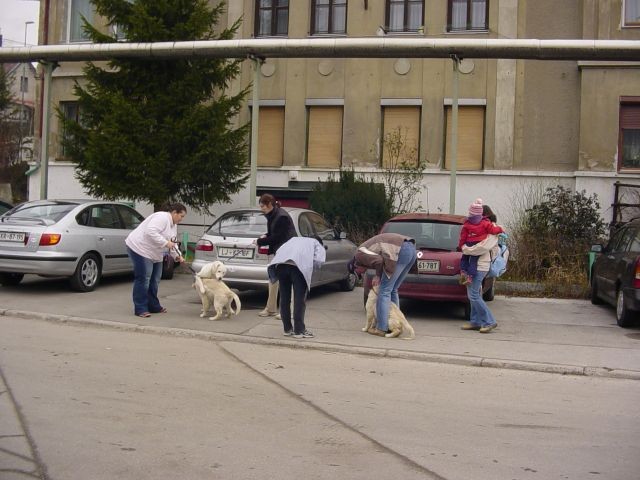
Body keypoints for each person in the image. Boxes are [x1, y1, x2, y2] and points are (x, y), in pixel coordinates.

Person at [125, 203, 186, 318]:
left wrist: (177, 255)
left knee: (155, 279)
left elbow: (172, 241)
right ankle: (140, 308)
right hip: (139, 248)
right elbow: (150, 232)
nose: (181, 219)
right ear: (174, 213)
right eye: (181, 216)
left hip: (155, 253)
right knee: (144, 278)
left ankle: (153, 306)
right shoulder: (162, 218)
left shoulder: (174, 225)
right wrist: (165, 243)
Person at [354, 233, 417, 336]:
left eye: (358, 271)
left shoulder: (358, 254)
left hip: (400, 250)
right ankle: (396, 324)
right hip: (411, 248)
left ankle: (382, 328)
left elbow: (378, 261)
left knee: (384, 290)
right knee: (393, 289)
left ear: (355, 264)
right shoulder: (365, 249)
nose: (361, 273)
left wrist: (377, 276)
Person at [267, 236, 325, 338]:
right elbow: (319, 260)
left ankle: (287, 329)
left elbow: (280, 250)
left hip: (281, 265)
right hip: (298, 268)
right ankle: (299, 331)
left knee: (284, 298)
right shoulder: (316, 243)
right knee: (299, 299)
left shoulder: (293, 239)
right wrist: (310, 267)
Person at [460, 204, 503, 333]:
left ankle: (489, 321)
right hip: (473, 264)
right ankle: (475, 321)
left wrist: (466, 248)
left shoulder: (490, 228)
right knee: (473, 294)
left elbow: (482, 248)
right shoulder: (478, 226)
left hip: (481, 265)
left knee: (473, 295)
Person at [255, 194, 297, 318]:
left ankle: (287, 311)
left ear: (269, 204)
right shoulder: (273, 214)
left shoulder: (281, 216)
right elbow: (274, 232)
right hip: (279, 251)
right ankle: (270, 308)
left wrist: (260, 241)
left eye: (262, 206)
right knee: (273, 279)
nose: (261, 208)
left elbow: (279, 237)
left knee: (286, 281)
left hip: (287, 251)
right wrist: (265, 235)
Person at [458, 198, 504, 285]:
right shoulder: (485, 223)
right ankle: (470, 277)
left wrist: (461, 246)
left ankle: (463, 272)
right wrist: (500, 229)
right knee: (473, 262)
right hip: (478, 243)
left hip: (469, 244)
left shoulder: (467, 224)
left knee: (464, 258)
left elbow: (462, 237)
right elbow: (493, 230)